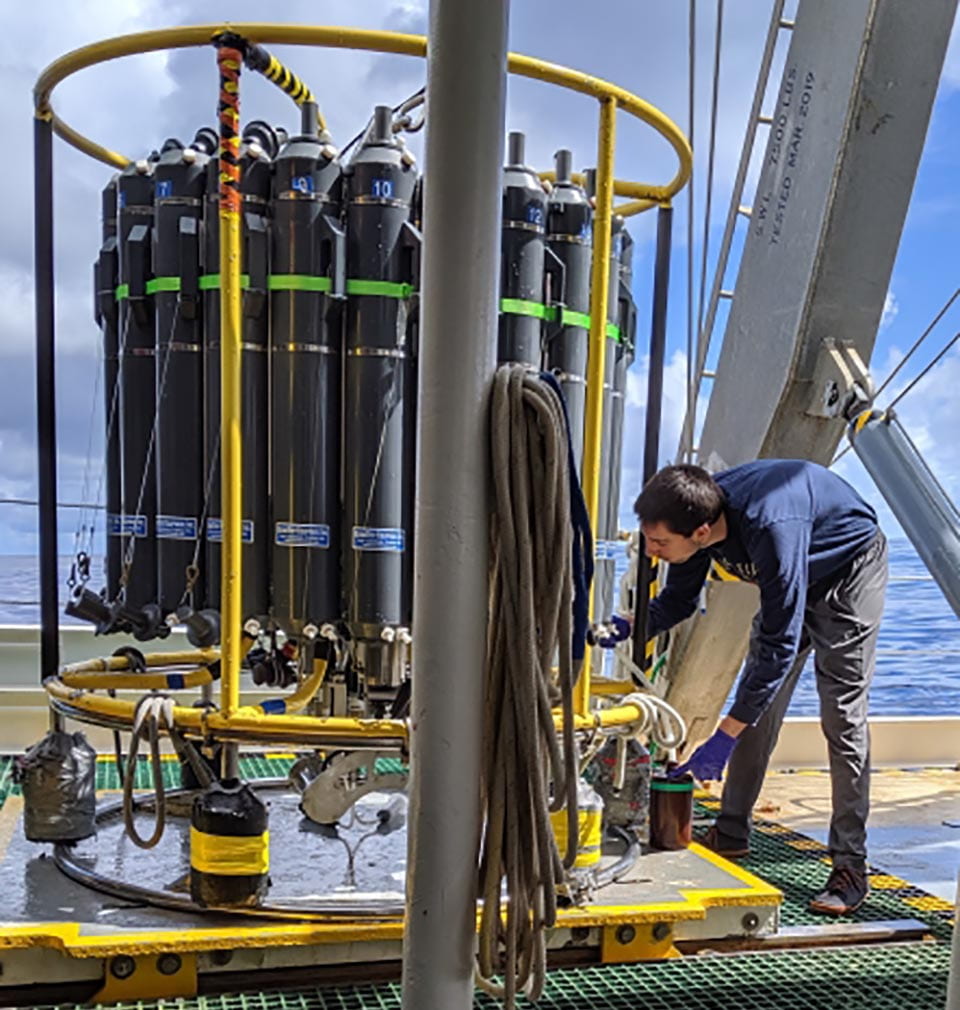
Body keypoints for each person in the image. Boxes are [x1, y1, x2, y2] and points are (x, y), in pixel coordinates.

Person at [598, 459, 888, 915]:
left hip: (847, 572)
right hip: (791, 576)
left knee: (842, 716)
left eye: (659, 543)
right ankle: (731, 831)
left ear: (699, 531)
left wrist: (723, 736)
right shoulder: (697, 516)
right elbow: (677, 601)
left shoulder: (770, 527)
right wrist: (627, 627)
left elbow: (779, 641)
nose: (651, 552)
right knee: (755, 708)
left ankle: (851, 866)